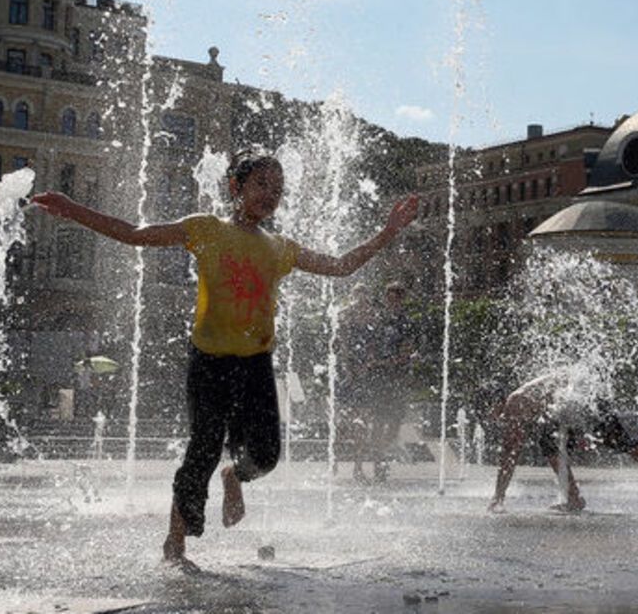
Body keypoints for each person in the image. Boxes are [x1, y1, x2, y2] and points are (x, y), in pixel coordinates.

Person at [32, 151, 418, 568]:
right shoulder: (206, 229)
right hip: (210, 362)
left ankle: (235, 475)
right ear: (236, 186)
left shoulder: (280, 248)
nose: (270, 195)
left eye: (278, 189)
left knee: (267, 455)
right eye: (261, 185)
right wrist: (73, 210)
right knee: (202, 450)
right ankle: (175, 545)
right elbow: (134, 233)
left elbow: (340, 266)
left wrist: (387, 232)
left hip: (256, 366)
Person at [487, 368, 638, 514]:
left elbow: (510, 453)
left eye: (490, 413)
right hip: (581, 393)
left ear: (496, 404)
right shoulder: (524, 398)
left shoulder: (515, 403)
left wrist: (498, 496)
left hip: (580, 397)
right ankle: (573, 498)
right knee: (549, 442)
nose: (493, 420)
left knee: (621, 441)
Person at [339, 281, 414, 484]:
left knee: (394, 425)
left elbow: (406, 352)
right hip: (377, 379)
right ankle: (374, 465)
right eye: (389, 297)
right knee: (375, 423)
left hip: (397, 378)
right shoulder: (378, 319)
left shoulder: (406, 322)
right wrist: (361, 364)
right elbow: (366, 342)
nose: (391, 301)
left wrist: (383, 361)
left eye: (396, 297)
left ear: (402, 299)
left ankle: (379, 459)